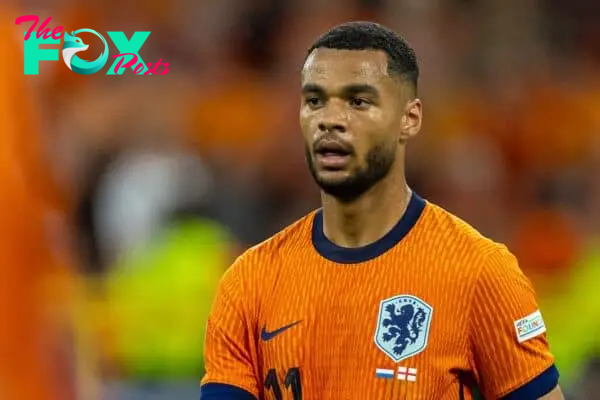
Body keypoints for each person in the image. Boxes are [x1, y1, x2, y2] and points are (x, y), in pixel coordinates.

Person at [199, 21, 563, 399]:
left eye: (358, 101)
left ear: (410, 119)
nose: (330, 119)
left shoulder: (480, 272)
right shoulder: (249, 283)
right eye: (315, 100)